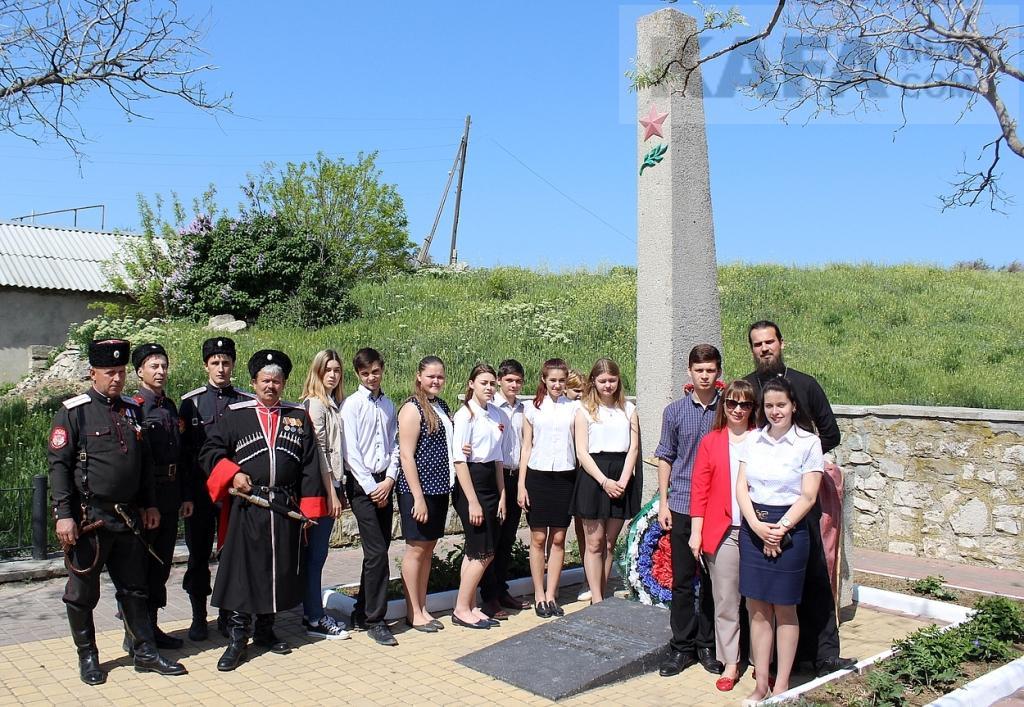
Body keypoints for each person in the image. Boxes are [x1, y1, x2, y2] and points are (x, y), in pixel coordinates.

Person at [48, 339, 187, 685]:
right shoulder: (74, 411)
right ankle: (88, 656)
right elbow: (59, 466)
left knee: (135, 588)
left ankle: (144, 652)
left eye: (121, 372)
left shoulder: (131, 409)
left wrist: (150, 503)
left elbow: (144, 463)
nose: (117, 378)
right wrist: (63, 514)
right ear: (93, 373)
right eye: (110, 372)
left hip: (128, 517)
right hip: (89, 519)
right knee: (82, 594)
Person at [200, 350, 326, 671]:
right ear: (254, 383)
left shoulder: (297, 416)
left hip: (284, 506)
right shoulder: (235, 414)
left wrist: (310, 508)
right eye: (265, 381)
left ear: (284, 383)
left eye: (277, 381)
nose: (271, 386)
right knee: (245, 572)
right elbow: (210, 451)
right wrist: (232, 473)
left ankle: (267, 631)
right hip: (249, 505)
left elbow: (311, 465)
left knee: (277, 569)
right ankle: (238, 639)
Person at [743, 320, 856, 677]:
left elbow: (831, 433)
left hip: (800, 502)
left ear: (781, 343)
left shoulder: (805, 384)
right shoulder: (745, 387)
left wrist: (799, 462)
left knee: (814, 579)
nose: (765, 348)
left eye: (770, 342)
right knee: (760, 593)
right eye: (758, 344)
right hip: (758, 504)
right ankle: (767, 661)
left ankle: (822, 655)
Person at [736, 376, 824, 703]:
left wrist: (780, 528)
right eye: (770, 406)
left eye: (781, 405)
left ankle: (783, 684)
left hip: (791, 528)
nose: (775, 412)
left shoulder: (807, 443)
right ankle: (761, 683)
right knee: (757, 609)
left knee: (785, 609)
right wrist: (759, 528)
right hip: (754, 528)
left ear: (793, 406)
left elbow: (809, 495)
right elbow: (741, 488)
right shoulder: (753, 440)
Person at [655, 344, 724, 677]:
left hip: (717, 508)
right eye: (699, 370)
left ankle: (707, 645)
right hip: (682, 504)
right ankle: (681, 648)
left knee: (712, 583)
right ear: (690, 372)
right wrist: (663, 502)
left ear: (718, 373)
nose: (705, 376)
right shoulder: (674, 412)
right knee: (683, 581)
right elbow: (665, 456)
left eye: (710, 370)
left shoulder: (730, 410)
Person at [178, 337, 251, 641]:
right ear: (206, 365)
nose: (221, 368)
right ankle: (198, 616)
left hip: (232, 494)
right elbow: (182, 454)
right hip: (201, 495)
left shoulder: (245, 401)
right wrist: (184, 495)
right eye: (215, 363)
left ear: (233, 364)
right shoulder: (191, 403)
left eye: (226, 362)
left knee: (231, 556)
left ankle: (226, 614)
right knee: (197, 557)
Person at [689, 379, 757, 692]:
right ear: (724, 406)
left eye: (744, 404)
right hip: (723, 531)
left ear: (752, 407)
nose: (738, 409)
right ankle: (730, 661)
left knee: (759, 602)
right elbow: (699, 489)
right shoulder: (711, 442)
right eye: (732, 403)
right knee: (726, 601)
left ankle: (760, 659)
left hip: (759, 531)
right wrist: (696, 532)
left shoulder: (764, 440)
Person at [129, 343, 189, 652]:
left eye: (163, 366)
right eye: (154, 366)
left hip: (169, 495)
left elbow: (180, 454)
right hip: (146, 500)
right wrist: (142, 502)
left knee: (162, 565)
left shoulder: (169, 406)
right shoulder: (135, 407)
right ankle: (136, 633)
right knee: (142, 567)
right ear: (139, 371)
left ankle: (151, 626)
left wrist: (183, 495)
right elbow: (137, 461)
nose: (161, 371)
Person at [341, 347, 400, 647]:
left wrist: (389, 479)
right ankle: (376, 619)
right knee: (377, 552)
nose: (371, 378)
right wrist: (371, 487)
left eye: (375, 371)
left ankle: (361, 611)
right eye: (365, 374)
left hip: (384, 482)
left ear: (382, 369)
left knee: (378, 552)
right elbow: (350, 452)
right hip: (363, 486)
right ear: (357, 374)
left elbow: (395, 445)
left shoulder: (388, 404)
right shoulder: (351, 406)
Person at [572, 358, 640, 603]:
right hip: (594, 477)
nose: (607, 385)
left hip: (621, 476)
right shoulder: (583, 410)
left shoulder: (629, 409)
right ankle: (597, 598)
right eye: (602, 381)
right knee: (594, 542)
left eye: (612, 380)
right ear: (593, 382)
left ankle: (601, 588)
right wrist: (604, 481)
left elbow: (633, 449)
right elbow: (582, 452)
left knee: (610, 542)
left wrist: (622, 480)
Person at [450, 363, 511, 629]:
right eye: (483, 383)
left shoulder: (496, 414)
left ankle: (469, 604)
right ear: (471, 384)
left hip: (490, 483)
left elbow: (497, 458)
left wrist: (502, 494)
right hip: (471, 484)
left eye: (492, 383)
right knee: (482, 551)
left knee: (478, 551)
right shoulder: (464, 415)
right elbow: (459, 460)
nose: (488, 387)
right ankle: (461, 609)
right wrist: (472, 501)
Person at [396, 356, 454, 632]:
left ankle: (422, 606)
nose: (435, 381)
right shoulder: (411, 408)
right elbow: (406, 456)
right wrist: (418, 497)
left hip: (439, 488)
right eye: (431, 376)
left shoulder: (440, 405)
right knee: (416, 549)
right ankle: (413, 611)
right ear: (419, 376)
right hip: (418, 491)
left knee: (428, 549)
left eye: (440, 376)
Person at [518, 358, 577, 619]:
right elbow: (526, 447)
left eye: (561, 381)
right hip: (538, 476)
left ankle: (552, 594)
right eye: (552, 380)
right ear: (544, 380)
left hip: (565, 476)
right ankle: (538, 595)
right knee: (538, 538)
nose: (557, 384)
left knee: (559, 538)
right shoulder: (531, 409)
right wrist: (521, 484)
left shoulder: (574, 409)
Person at [300, 350, 349, 640]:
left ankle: (312, 612)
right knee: (315, 556)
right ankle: (314, 618)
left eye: (337, 370)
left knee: (317, 555)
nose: (333, 375)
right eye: (327, 370)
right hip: (319, 489)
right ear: (317, 372)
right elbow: (320, 452)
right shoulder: (315, 405)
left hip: (332, 485)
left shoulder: (332, 403)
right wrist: (332, 492)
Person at [479, 359, 531, 617]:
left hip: (515, 477)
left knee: (508, 538)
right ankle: (488, 596)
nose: (514, 385)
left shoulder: (524, 409)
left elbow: (525, 447)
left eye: (518, 381)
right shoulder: (490, 408)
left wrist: (521, 482)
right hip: (493, 478)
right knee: (492, 537)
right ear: (500, 380)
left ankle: (501, 588)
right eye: (509, 380)